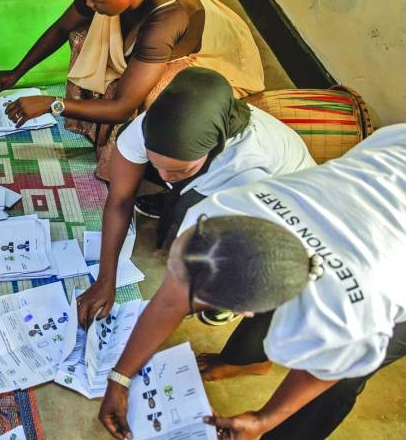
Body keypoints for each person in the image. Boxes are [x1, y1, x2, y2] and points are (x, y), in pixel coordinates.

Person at [95, 121, 406, 440]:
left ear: (244, 312)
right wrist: (120, 377)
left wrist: (261, 420)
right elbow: (167, 303)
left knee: (345, 380)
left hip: (399, 243)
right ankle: (247, 360)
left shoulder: (348, 316)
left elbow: (329, 372)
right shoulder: (224, 207)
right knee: (261, 273)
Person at [0, 0, 265, 177]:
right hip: (147, 42)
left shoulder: (164, 23)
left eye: (95, 0)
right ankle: (91, 129)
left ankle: (139, 167)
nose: (88, 4)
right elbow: (61, 28)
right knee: (84, 35)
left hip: (199, 60)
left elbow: (122, 108)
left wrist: (52, 104)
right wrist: (16, 73)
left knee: (154, 96)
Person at [77, 68, 314, 328]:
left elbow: (257, 248)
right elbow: (121, 199)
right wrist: (105, 279)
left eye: (178, 171)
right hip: (212, 174)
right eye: (157, 164)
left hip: (281, 214)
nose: (165, 176)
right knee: (143, 170)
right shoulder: (149, 128)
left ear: (214, 148)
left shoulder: (244, 171)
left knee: (210, 252)